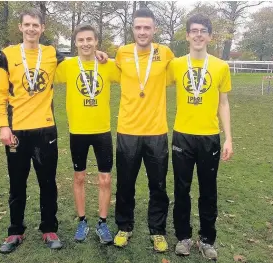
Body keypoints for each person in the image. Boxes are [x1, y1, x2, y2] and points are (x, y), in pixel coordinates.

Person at [0, 9, 108, 254]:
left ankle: (49, 229)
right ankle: (15, 231)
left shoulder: (52, 53)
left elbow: (81, 58)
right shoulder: (8, 54)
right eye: (28, 25)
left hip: (46, 130)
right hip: (16, 131)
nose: (32, 29)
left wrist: (97, 53)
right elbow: (0, 94)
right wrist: (3, 124)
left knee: (48, 183)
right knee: (17, 183)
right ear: (21, 27)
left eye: (36, 25)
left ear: (43, 28)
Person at [166, 14, 233, 260]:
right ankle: (183, 237)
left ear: (210, 36)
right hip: (182, 135)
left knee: (208, 190)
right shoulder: (175, 65)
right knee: (182, 189)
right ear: (187, 35)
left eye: (203, 31)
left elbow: (223, 104)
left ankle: (207, 240)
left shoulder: (220, 66)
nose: (198, 35)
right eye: (193, 30)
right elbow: (151, 78)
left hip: (209, 137)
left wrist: (229, 138)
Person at [113, 8, 174, 252]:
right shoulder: (122, 53)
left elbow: (180, 71)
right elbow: (109, 69)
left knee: (158, 184)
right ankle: (124, 227)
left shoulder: (165, 53)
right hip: (127, 129)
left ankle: (157, 230)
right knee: (125, 183)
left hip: (157, 131)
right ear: (133, 29)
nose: (142, 32)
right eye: (138, 27)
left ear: (154, 29)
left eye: (146, 27)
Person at [55, 23, 120, 244]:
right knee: (79, 177)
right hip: (78, 131)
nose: (85, 44)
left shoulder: (107, 65)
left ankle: (102, 223)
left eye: (89, 40)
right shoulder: (67, 66)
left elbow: (129, 70)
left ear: (96, 42)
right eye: (81, 40)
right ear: (75, 43)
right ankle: (82, 221)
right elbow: (44, 66)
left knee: (105, 179)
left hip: (102, 131)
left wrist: (106, 55)